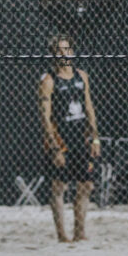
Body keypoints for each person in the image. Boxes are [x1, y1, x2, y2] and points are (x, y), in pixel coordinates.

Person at [37, 35, 99, 242]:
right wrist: (54, 147)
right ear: (53, 55)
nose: (64, 54)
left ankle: (79, 232)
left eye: (67, 49)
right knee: (59, 187)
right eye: (59, 51)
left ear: (72, 52)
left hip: (80, 138)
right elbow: (45, 118)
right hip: (61, 140)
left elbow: (89, 107)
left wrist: (95, 138)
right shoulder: (48, 81)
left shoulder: (81, 76)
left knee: (86, 185)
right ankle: (62, 235)